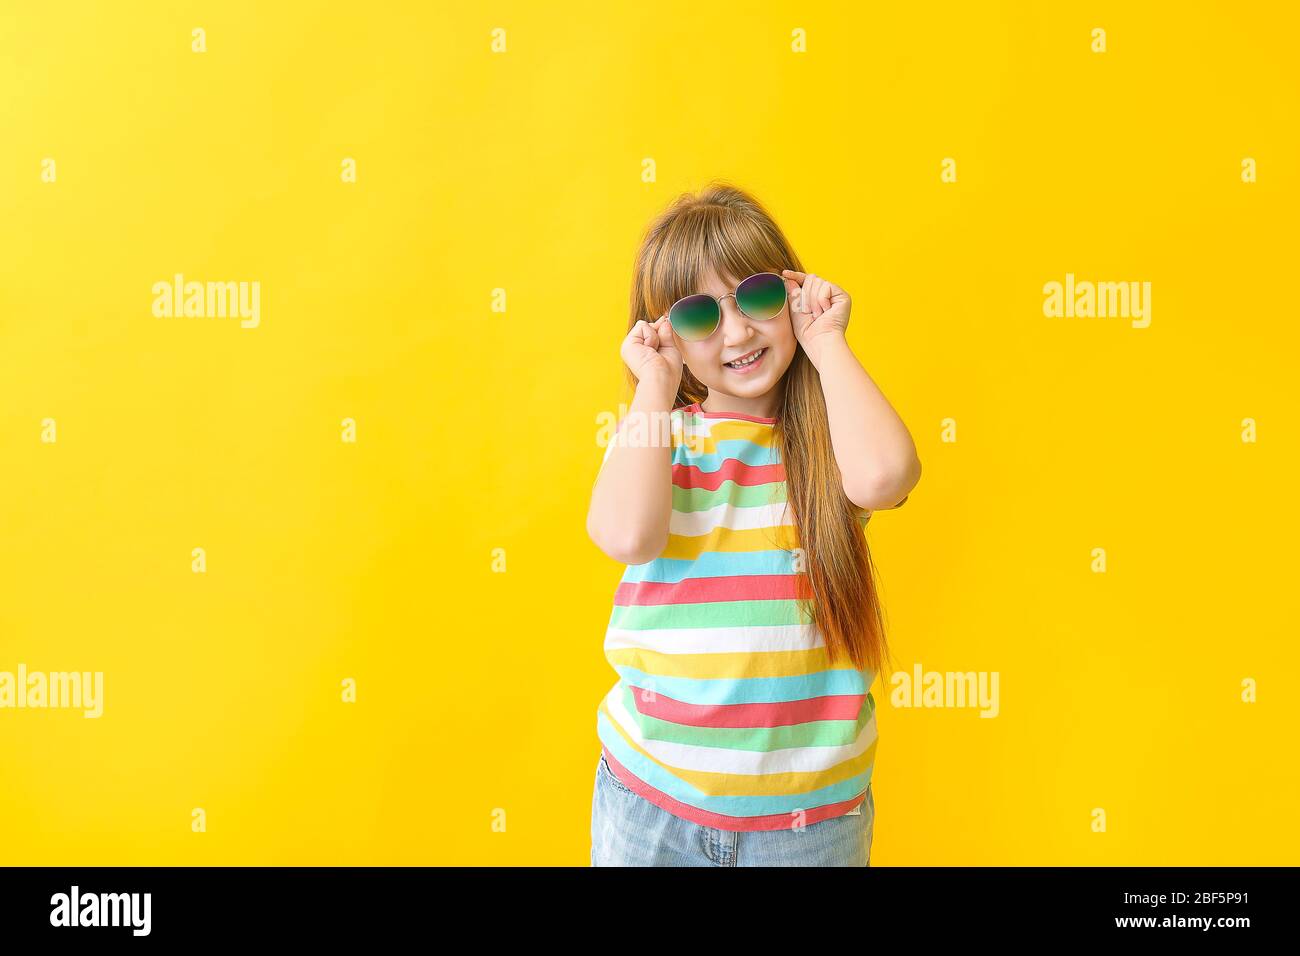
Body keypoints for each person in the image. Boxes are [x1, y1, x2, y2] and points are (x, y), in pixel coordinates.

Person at [587, 181, 921, 866]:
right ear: (667, 334)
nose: (738, 332)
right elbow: (626, 535)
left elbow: (887, 477)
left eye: (760, 298)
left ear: (792, 298)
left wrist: (826, 341)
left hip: (810, 820)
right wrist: (654, 382)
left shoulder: (829, 440)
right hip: (652, 799)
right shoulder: (666, 438)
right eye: (701, 315)